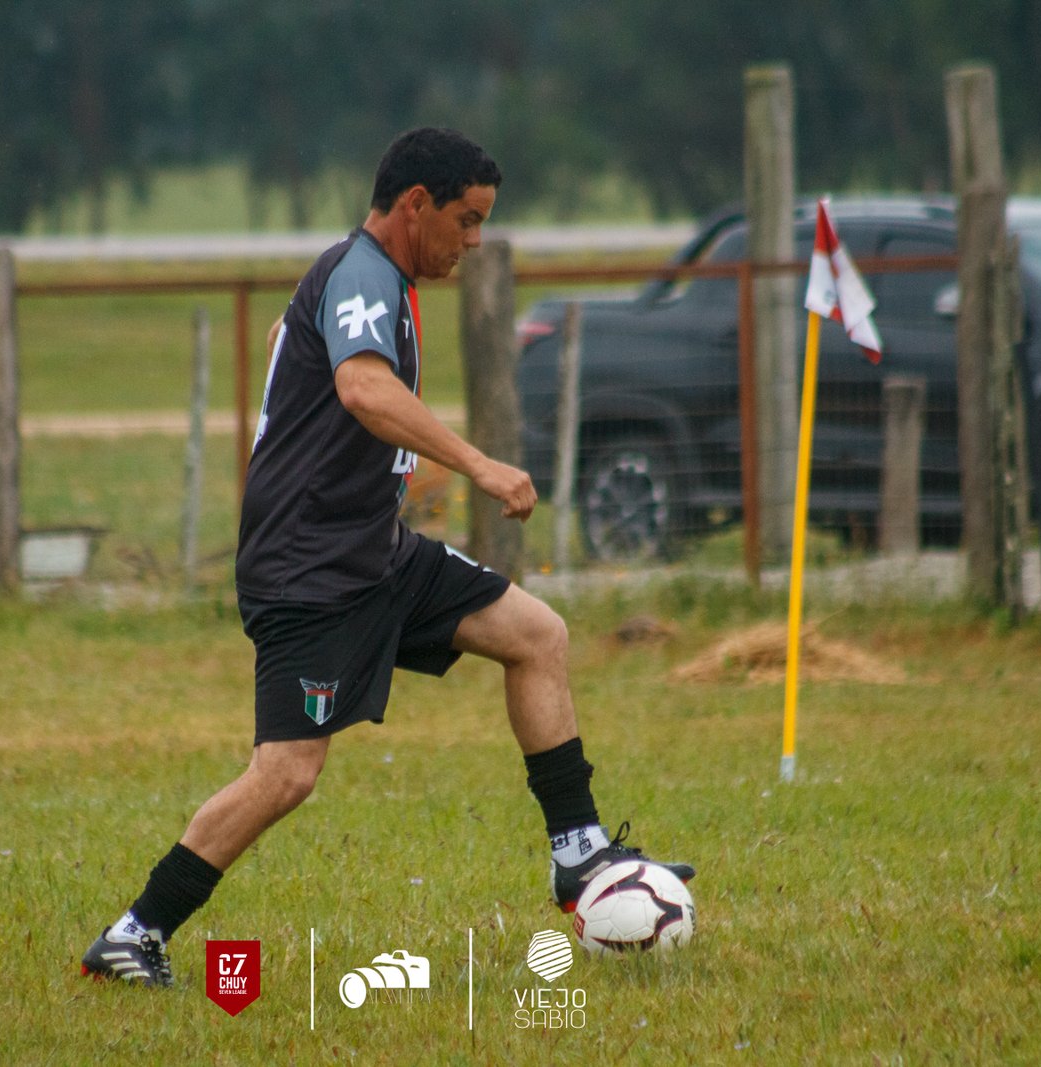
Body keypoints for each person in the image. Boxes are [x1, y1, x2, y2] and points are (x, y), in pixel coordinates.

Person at [81, 127, 693, 987]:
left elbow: (293, 348)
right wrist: (478, 464)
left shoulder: (364, 279)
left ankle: (579, 852)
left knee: (536, 634)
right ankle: (133, 932)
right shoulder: (364, 273)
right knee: (286, 774)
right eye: (466, 220)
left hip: (375, 551)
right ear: (415, 205)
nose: (473, 241)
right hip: (309, 572)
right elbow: (363, 386)